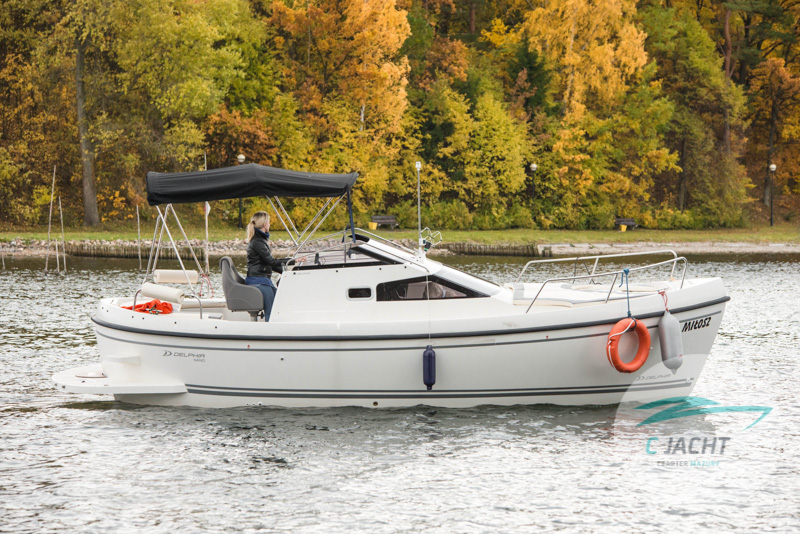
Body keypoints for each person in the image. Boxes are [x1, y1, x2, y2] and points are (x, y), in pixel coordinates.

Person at [244, 211, 284, 321]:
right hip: (258, 280)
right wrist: (292, 261)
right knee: (271, 311)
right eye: (269, 222)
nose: (270, 225)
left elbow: (269, 263)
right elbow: (271, 261)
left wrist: (286, 271)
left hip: (262, 280)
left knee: (279, 303)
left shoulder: (260, 240)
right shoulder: (258, 242)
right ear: (265, 224)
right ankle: (270, 329)